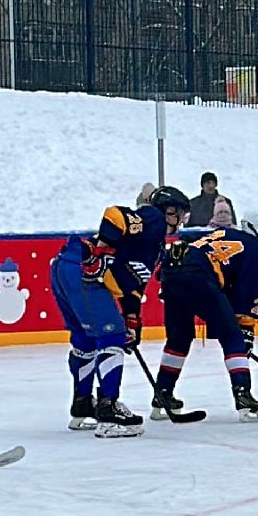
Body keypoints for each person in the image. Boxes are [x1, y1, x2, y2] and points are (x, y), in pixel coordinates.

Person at [49, 184, 191, 434]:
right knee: (111, 338)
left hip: (66, 267)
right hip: (83, 272)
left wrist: (132, 318)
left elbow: (133, 287)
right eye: (180, 214)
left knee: (85, 340)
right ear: (169, 211)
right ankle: (109, 411)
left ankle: (83, 404)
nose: (181, 222)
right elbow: (115, 214)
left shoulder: (153, 244)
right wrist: (101, 252)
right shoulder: (154, 219)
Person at [151, 212, 258, 424]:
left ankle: (162, 393)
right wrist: (245, 331)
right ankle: (243, 394)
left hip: (171, 272)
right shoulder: (256, 249)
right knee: (233, 338)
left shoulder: (221, 232)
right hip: (198, 275)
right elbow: (249, 295)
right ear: (257, 230)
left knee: (179, 338)